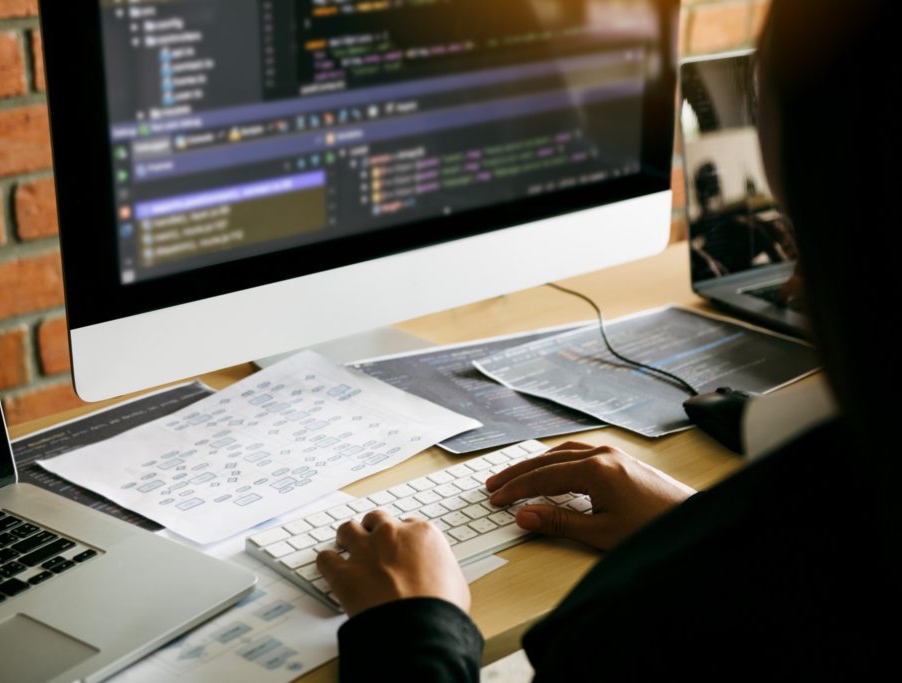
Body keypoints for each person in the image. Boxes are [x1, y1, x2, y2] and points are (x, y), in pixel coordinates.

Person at [315, 0, 898, 678]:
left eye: (799, 239)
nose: (791, 286)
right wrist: (689, 522)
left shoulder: (655, 621)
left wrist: (413, 630)